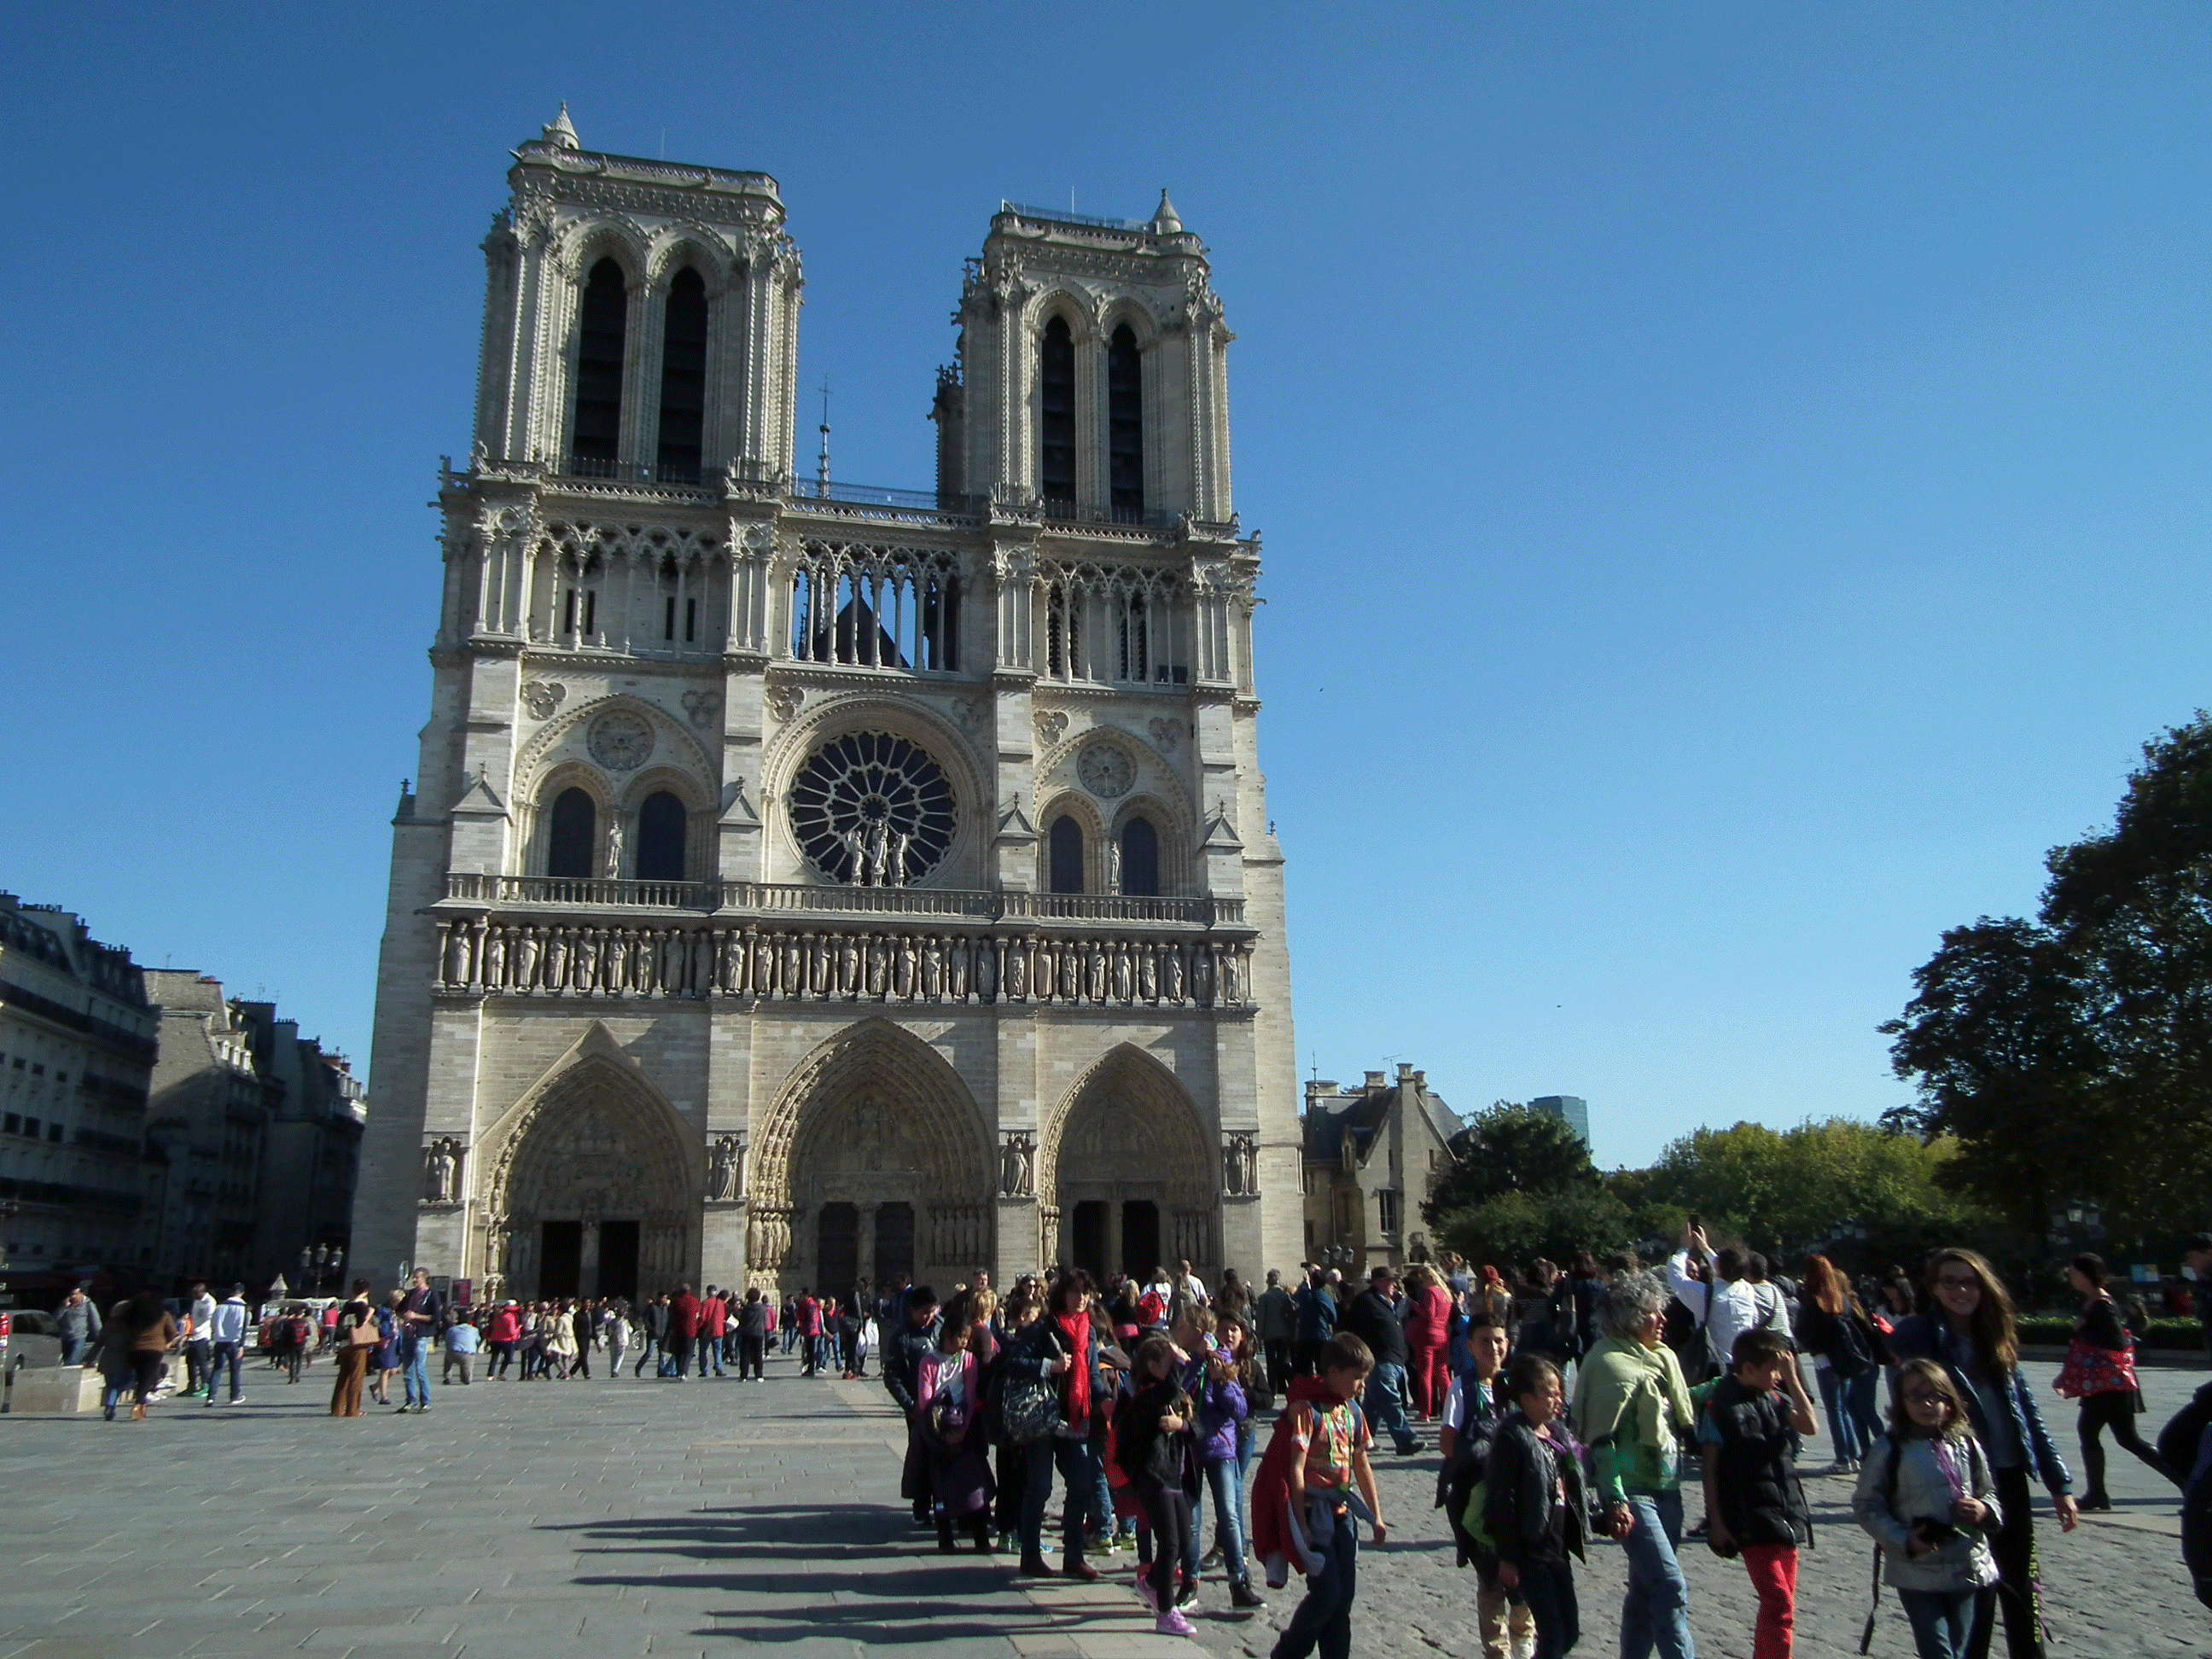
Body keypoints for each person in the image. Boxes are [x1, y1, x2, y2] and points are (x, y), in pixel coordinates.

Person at [1886, 1249, 2076, 1659]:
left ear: (1983, 1286)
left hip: (2007, 1476)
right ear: (1933, 1288)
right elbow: (1906, 1412)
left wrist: (2059, 1482)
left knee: (2022, 1585)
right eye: (1949, 1281)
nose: (1960, 1290)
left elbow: (2026, 1413)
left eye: (1969, 1281)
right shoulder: (1918, 1337)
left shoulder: (1996, 1333)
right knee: (1976, 1588)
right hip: (1958, 1482)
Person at [1572, 1270, 1698, 1659]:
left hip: (1667, 1486)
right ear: (1628, 1318)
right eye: (1651, 1313)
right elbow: (1601, 1438)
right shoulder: (1608, 1362)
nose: (1662, 1320)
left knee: (1644, 1592)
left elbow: (1674, 1409)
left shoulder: (1662, 1358)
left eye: (1662, 1312)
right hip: (1632, 1492)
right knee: (1669, 1585)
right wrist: (1614, 1499)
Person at [1853, 1358, 2005, 1659]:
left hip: (1965, 1562)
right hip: (1915, 1568)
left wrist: (1984, 1510)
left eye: (1934, 1395)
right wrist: (1903, 1539)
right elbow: (1867, 1504)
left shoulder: (1966, 1444)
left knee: (1959, 1648)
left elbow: (1988, 1491)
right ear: (1901, 1401)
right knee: (1937, 1649)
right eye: (1915, 1396)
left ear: (1949, 1401)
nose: (1925, 1404)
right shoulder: (1890, 1448)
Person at [1249, 1331, 1387, 1659]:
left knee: (1344, 1601)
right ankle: (1288, 1651)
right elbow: (1295, 1469)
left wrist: (1376, 1515)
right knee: (1326, 1594)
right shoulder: (1304, 1411)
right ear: (1334, 1372)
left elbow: (1361, 1464)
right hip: (1314, 1515)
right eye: (1357, 1377)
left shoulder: (1352, 1412)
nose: (1362, 1385)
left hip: (1343, 1517)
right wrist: (1300, 1523)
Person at [1699, 1328, 1817, 1659]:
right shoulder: (1720, 1406)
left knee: (1782, 1607)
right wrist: (1717, 1521)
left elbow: (1810, 1426)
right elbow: (1710, 1469)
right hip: (1751, 1517)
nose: (1777, 1376)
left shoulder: (1775, 1399)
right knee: (1778, 1602)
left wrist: (1793, 1379)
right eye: (1773, 1369)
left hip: (1787, 1515)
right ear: (1748, 1369)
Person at [1004, 1271, 1110, 1580]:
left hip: (1075, 1416)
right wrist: (1048, 1366)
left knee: (1081, 1483)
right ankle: (1031, 1556)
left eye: (1086, 1293)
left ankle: (1073, 1557)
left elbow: (1091, 1375)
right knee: (1040, 1487)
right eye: (1075, 1292)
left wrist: (1104, 1398)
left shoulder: (1088, 1331)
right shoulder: (1043, 1328)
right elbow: (1014, 1362)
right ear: (1062, 1294)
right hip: (1044, 1416)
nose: (1081, 1299)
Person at [1487, 1352, 1589, 1659]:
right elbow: (1503, 1501)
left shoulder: (1558, 1434)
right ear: (1527, 1399)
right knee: (1553, 1633)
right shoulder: (1511, 1437)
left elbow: (1573, 1488)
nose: (1558, 1400)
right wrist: (1506, 1557)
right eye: (1551, 1393)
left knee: (1569, 1631)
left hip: (1558, 1549)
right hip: (1531, 1551)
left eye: (1560, 1392)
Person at [2058, 1253, 2177, 1510]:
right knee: (2127, 1439)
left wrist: (2083, 1329)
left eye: (2074, 1272)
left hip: (2107, 1384)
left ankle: (2097, 1494)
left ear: (2087, 1274)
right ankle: (2186, 1483)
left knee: (2092, 1431)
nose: (2071, 1276)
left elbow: (2116, 1342)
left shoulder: (2101, 1304)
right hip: (2109, 1384)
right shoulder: (2095, 1301)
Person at [1116, 1333, 1204, 1635]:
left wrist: (1183, 1425)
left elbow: (1199, 1429)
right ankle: (1166, 1613)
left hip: (1174, 1475)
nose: (1177, 1367)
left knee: (1185, 1539)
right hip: (1153, 1476)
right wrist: (1182, 1358)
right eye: (1170, 1363)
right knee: (1169, 1543)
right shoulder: (1147, 1396)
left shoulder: (1171, 1394)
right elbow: (1168, 1390)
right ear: (1153, 1367)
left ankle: (1152, 1583)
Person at [917, 1302, 998, 1553]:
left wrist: (962, 1429)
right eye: (959, 1339)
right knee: (939, 1487)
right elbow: (924, 1398)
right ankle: (945, 1537)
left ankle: (980, 1537)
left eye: (966, 1338)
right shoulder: (929, 1361)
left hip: (966, 1427)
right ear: (947, 1336)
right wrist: (940, 1427)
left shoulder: (969, 1360)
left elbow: (971, 1395)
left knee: (973, 1484)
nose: (963, 1344)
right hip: (937, 1429)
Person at [1202, 1313, 1268, 1610]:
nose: (1229, 1334)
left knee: (1234, 1496)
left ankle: (1233, 1552)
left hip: (1242, 1437)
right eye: (1224, 1329)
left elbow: (1266, 1399)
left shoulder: (1250, 1366)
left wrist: (1244, 1392)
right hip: (1217, 1437)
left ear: (1243, 1334)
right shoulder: (1210, 1362)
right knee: (1231, 1498)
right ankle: (1228, 1549)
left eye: (1234, 1330)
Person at [1797, 1253, 1883, 1475]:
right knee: (1843, 1408)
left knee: (1833, 1410)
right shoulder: (1841, 1299)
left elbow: (1807, 1332)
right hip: (1844, 1358)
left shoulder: (1813, 1299)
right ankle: (1852, 1456)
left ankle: (1844, 1457)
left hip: (1824, 1358)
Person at [1342, 1265, 1422, 1455]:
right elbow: (1351, 1327)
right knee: (1389, 1400)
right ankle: (1405, 1440)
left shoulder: (1387, 1301)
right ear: (1379, 1283)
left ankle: (1358, 1441)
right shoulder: (1366, 1301)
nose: (1395, 1285)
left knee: (1373, 1406)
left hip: (1393, 1359)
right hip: (1379, 1358)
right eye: (1391, 1281)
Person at [886, 1284, 946, 1527]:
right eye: (924, 1312)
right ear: (912, 1310)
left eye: (932, 1311)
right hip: (918, 1409)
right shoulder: (903, 1336)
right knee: (922, 1457)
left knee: (945, 1457)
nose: (929, 1317)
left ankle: (944, 1504)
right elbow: (892, 1375)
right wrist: (909, 1405)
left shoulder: (941, 1329)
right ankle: (921, 1506)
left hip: (944, 1406)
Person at [1401, 1263, 1452, 1423]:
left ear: (1429, 1278)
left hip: (1427, 1335)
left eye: (1422, 1281)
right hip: (1442, 1334)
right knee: (1443, 1374)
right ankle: (1449, 1408)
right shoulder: (1445, 1293)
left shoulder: (1430, 1292)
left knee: (1425, 1374)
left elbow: (1428, 1315)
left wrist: (1414, 1306)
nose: (1421, 1285)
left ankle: (1425, 1411)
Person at [331, 1281, 375, 1417]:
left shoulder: (347, 1305)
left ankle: (337, 1408)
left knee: (343, 1376)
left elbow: (339, 1321)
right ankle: (353, 1409)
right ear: (366, 1291)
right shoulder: (362, 1305)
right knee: (357, 1377)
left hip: (345, 1344)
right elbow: (361, 1322)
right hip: (358, 1345)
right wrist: (370, 1311)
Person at [399, 1268, 440, 1411]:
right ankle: (411, 1400)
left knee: (420, 1368)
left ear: (425, 1278)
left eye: (417, 1278)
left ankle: (426, 1401)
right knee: (407, 1370)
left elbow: (435, 1317)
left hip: (421, 1336)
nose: (414, 1280)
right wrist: (402, 1317)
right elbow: (399, 1309)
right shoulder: (410, 1294)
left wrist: (416, 1316)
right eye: (413, 1278)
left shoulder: (432, 1294)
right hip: (408, 1334)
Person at [206, 1284, 249, 1406]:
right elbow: (243, 1328)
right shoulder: (243, 1307)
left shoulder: (220, 1307)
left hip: (220, 1341)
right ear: (242, 1293)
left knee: (217, 1369)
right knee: (235, 1370)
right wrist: (242, 1345)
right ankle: (234, 1396)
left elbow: (213, 1323)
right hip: (234, 1342)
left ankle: (211, 1396)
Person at [1254, 1269, 1296, 1399]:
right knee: (1283, 1360)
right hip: (1284, 1334)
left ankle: (1272, 1389)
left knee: (1271, 1363)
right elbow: (1291, 1315)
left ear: (1268, 1281)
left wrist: (1259, 1337)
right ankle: (1288, 1386)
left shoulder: (1264, 1297)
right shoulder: (1285, 1297)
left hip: (1269, 1335)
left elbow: (1260, 1319)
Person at [183, 1282, 215, 1399]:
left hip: (203, 1335)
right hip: (193, 1335)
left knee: (202, 1361)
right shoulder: (196, 1301)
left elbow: (209, 1320)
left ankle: (206, 1385)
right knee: (190, 1360)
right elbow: (194, 1316)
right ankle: (192, 1385)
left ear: (202, 1292)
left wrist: (197, 1330)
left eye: (196, 1293)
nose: (194, 1296)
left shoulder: (210, 1302)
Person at [56, 1286, 102, 1366]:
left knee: (72, 1361)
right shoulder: (65, 1304)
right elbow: (55, 1318)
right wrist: (64, 1308)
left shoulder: (88, 1305)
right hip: (65, 1337)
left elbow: (95, 1322)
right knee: (64, 1360)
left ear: (81, 1294)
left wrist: (99, 1337)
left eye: (75, 1294)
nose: (73, 1296)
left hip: (79, 1337)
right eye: (71, 1294)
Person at [667, 1283, 701, 1379]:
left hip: (678, 1330)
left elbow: (671, 1315)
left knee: (679, 1352)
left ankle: (678, 1371)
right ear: (689, 1291)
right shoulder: (695, 1300)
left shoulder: (675, 1301)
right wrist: (697, 1326)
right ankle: (683, 1372)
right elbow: (699, 1316)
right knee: (688, 1352)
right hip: (691, 1330)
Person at [737, 1288, 768, 1381]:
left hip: (747, 1333)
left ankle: (744, 1375)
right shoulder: (762, 1308)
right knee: (758, 1355)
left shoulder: (746, 1309)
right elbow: (763, 1320)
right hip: (759, 1333)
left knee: (745, 1355)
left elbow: (742, 1321)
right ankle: (759, 1375)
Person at [442, 1310, 480, 1384]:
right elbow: (478, 1341)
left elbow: (447, 1340)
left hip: (453, 1352)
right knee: (467, 1366)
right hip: (467, 1354)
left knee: (448, 1360)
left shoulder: (452, 1329)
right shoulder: (474, 1330)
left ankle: (447, 1377)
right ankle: (466, 1379)